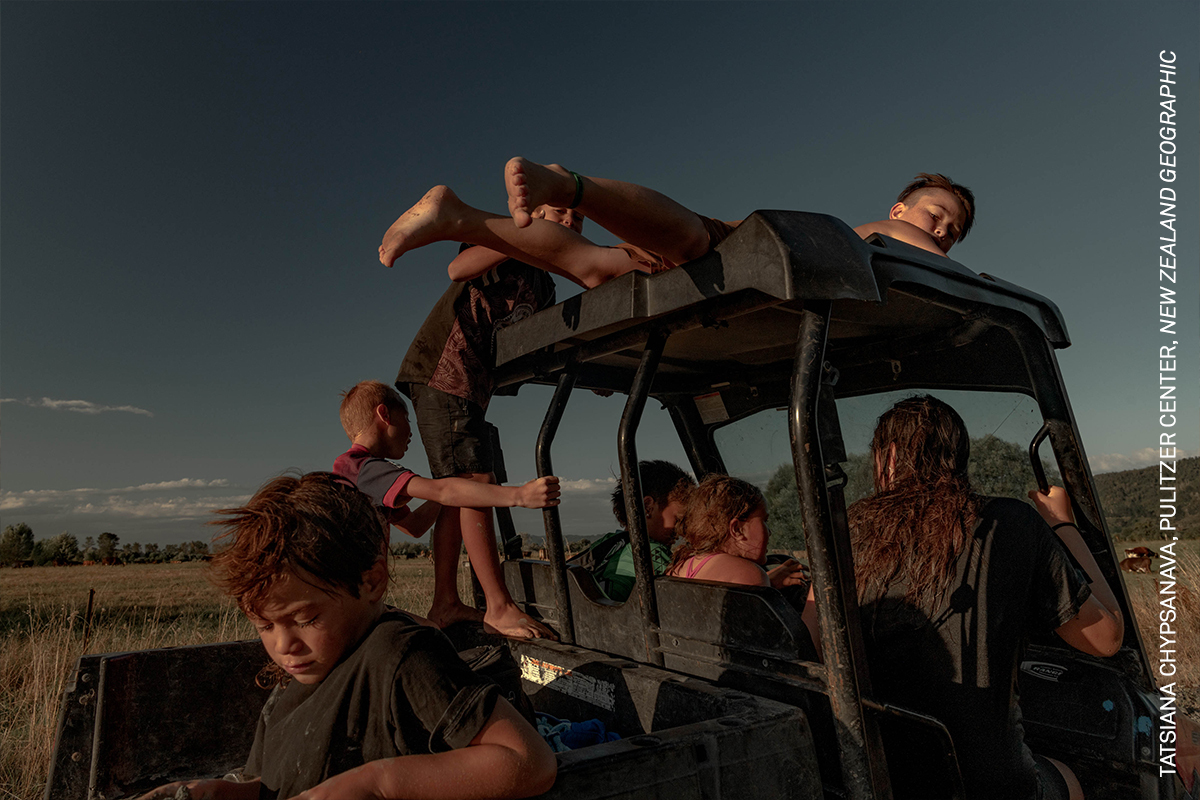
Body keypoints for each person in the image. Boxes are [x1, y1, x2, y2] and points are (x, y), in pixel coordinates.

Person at [135, 472, 557, 800]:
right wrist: (233, 792)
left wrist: (379, 784)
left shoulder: (400, 655)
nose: (284, 645)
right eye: (265, 626)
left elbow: (530, 761)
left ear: (372, 582)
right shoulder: (294, 684)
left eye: (305, 618)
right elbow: (286, 782)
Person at [847, 396, 1123, 800]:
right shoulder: (1009, 522)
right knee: (1067, 778)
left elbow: (815, 641)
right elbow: (1107, 639)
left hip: (877, 775)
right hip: (982, 783)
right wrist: (1063, 526)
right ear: (957, 456)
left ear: (886, 458)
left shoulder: (850, 527)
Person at [378, 160, 974, 290]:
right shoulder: (904, 238)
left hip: (759, 267)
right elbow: (949, 274)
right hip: (768, 247)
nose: (942, 230)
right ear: (900, 211)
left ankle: (459, 215)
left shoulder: (904, 240)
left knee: (589, 266)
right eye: (937, 214)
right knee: (693, 235)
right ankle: (569, 185)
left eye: (954, 229)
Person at [337, 381, 559, 640]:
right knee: (432, 643)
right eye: (407, 418)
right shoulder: (364, 468)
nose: (411, 432)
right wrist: (519, 495)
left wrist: (459, 485)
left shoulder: (357, 476)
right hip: (350, 609)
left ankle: (448, 606)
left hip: (358, 604)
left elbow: (415, 526)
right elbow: (442, 492)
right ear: (384, 415)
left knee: (434, 632)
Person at [667, 475, 818, 653]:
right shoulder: (748, 574)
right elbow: (800, 656)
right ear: (737, 529)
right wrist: (817, 591)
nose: (769, 531)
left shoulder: (681, 566)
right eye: (764, 521)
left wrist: (769, 585)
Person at [569, 460, 695, 602]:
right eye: (678, 519)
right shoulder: (652, 552)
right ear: (647, 507)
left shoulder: (610, 543)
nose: (682, 530)